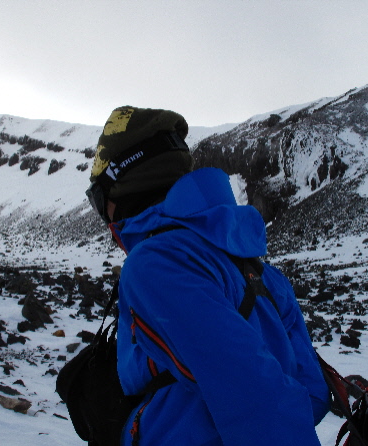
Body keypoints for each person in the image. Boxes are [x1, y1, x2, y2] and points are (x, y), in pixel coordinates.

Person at [86, 106, 330, 446]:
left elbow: (253, 393)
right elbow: (313, 393)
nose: (104, 214)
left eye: (99, 198)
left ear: (126, 186)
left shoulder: (155, 265)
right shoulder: (262, 272)